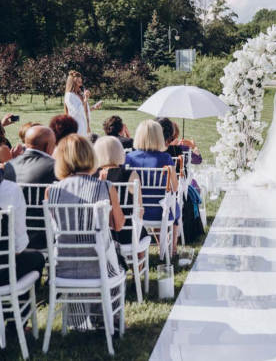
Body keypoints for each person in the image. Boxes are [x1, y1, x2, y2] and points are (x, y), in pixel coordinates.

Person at [45, 134, 125, 330]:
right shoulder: (105, 187)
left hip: (63, 267)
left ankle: (79, 319)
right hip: (99, 268)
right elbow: (119, 225)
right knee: (114, 256)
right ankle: (109, 318)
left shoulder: (51, 191)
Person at [125, 120, 181, 254]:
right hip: (161, 212)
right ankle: (172, 248)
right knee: (173, 205)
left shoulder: (128, 158)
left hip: (136, 211)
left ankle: (164, 245)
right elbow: (175, 188)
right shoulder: (165, 158)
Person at [0, 176, 45, 330]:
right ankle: (15, 323)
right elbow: (18, 250)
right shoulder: (11, 190)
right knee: (37, 259)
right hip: (3, 272)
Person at [3, 126, 58, 249]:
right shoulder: (55, 167)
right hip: (44, 235)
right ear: (47, 146)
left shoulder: (9, 166)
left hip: (11, 234)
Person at [94, 136, 147, 246]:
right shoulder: (131, 175)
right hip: (126, 232)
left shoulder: (93, 176)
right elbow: (139, 210)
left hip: (99, 233)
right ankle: (136, 262)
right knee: (143, 233)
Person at [64, 70, 101, 135]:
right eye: (79, 82)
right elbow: (77, 111)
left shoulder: (81, 94)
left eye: (81, 82)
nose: (81, 84)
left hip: (86, 126)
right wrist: (85, 100)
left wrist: (93, 108)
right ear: (73, 83)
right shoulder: (69, 95)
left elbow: (83, 110)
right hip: (78, 128)